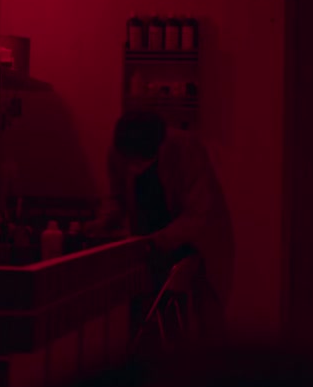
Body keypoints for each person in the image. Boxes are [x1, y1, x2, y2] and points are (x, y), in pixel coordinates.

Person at [87, 112, 234, 340]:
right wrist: (104, 221)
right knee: (144, 311)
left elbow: (199, 214)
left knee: (203, 316)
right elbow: (116, 197)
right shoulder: (119, 151)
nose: (134, 168)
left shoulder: (186, 149)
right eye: (130, 162)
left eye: (140, 162)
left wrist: (156, 240)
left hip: (194, 241)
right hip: (148, 242)